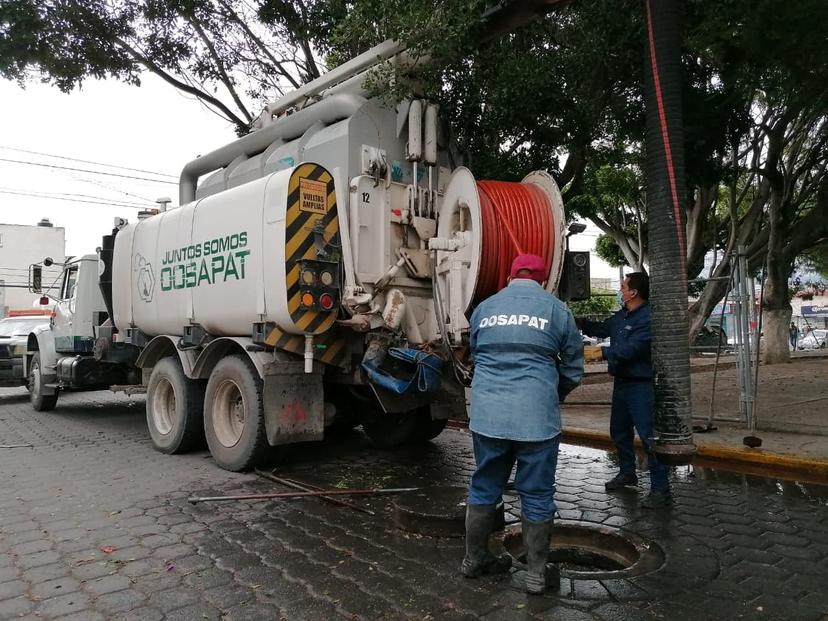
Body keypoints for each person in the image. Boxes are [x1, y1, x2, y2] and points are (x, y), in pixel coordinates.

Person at [462, 254, 584, 595]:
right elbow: (573, 369)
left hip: (487, 418)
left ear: (509, 276)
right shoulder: (557, 311)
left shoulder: (484, 309)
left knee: (484, 487)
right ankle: (535, 575)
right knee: (538, 494)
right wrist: (550, 395)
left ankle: (473, 560)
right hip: (537, 421)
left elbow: (474, 355)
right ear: (544, 280)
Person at [578, 272, 671, 509]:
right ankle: (627, 473)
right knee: (619, 432)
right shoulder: (622, 316)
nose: (620, 290)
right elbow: (602, 328)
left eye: (623, 286)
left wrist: (602, 353)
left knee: (649, 437)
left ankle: (660, 489)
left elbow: (634, 348)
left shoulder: (648, 318)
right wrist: (576, 321)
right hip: (622, 384)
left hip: (642, 386)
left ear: (633, 292)